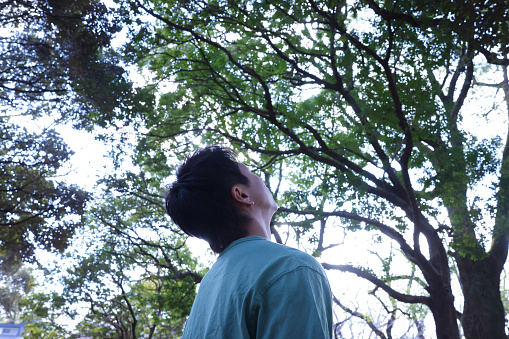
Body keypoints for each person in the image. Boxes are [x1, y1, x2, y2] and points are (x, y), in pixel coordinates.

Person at [166, 146, 333, 338]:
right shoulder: (290, 267)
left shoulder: (205, 292)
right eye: (251, 172)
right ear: (242, 195)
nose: (260, 178)